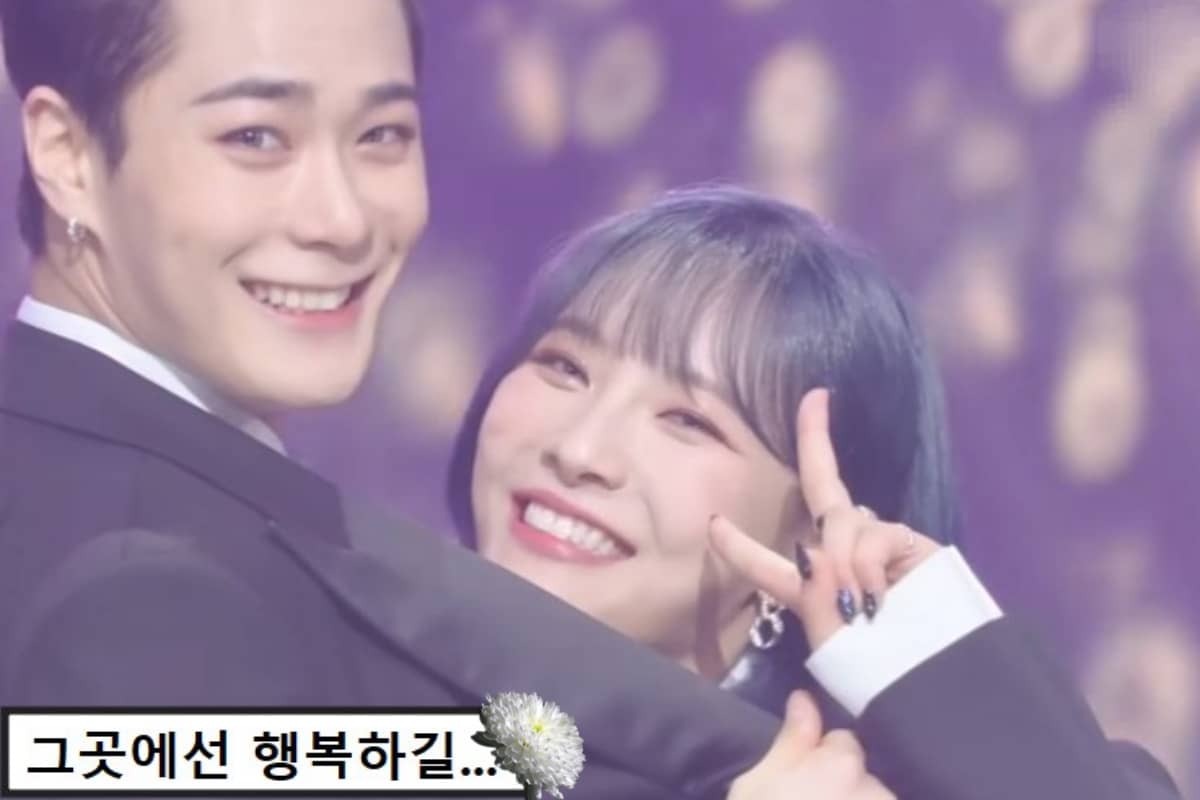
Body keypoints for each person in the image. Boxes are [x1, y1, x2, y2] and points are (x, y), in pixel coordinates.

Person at [0, 5, 815, 799]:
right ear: (67, 154)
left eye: (381, 135)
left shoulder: (192, 507)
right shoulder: (147, 590)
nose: (343, 220)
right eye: (256, 137)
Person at [450, 185, 1183, 799]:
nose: (580, 451)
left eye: (687, 421)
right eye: (564, 367)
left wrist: (924, 653)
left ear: (807, 536)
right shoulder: (397, 737)